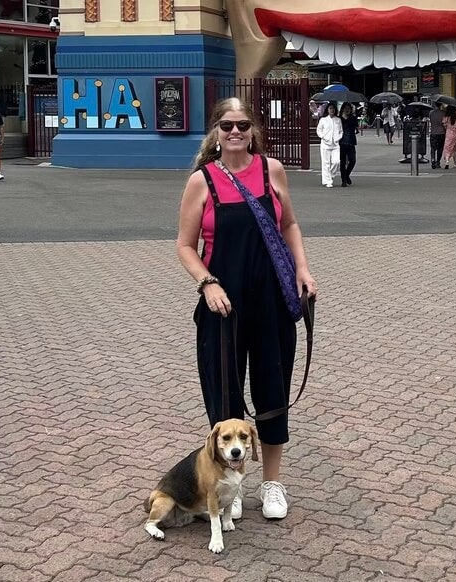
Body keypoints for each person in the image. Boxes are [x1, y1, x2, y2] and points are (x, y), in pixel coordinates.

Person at [176, 97, 317, 521]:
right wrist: (207, 283)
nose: (235, 132)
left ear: (253, 130)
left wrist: (302, 269)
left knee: (273, 390)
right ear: (216, 133)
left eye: (242, 125)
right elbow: (185, 246)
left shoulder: (272, 169)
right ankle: (231, 485)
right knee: (226, 395)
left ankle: (272, 484)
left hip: (271, 301)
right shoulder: (201, 181)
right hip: (223, 306)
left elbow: (288, 224)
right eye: (227, 125)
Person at [316, 102, 342, 187]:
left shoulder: (338, 120)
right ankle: (328, 181)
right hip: (325, 144)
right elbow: (319, 130)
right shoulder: (323, 120)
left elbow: (341, 131)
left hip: (335, 144)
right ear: (327, 110)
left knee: (336, 162)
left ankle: (330, 175)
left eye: (333, 108)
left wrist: (338, 137)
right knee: (326, 163)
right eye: (330, 108)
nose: (332, 110)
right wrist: (324, 137)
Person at [338, 102, 358, 187]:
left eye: (349, 109)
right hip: (341, 142)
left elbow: (354, 127)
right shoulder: (339, 119)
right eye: (345, 108)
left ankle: (346, 175)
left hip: (350, 142)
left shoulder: (353, 118)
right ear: (342, 109)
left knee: (352, 160)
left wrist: (350, 118)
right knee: (342, 162)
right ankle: (343, 180)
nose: (347, 110)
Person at [429, 104, 445, 169]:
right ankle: (438, 162)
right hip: (441, 133)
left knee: (433, 148)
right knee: (440, 148)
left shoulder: (431, 113)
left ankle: (433, 160)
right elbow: (444, 123)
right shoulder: (443, 113)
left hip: (433, 132)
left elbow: (431, 120)